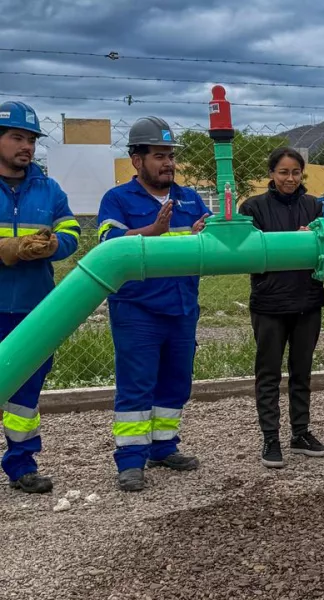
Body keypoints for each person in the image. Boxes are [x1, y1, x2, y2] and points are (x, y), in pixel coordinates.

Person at [96, 116, 212, 492]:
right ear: (136, 160)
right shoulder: (118, 199)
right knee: (137, 385)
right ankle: (130, 461)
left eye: (170, 156)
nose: (168, 163)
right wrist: (151, 232)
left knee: (176, 382)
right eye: (159, 156)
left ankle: (163, 446)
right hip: (138, 309)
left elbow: (211, 247)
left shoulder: (190, 198)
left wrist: (207, 234)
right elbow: (107, 244)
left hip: (181, 306)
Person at [0, 100, 81, 494]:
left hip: (35, 309)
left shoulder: (48, 189)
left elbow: (71, 233)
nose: (26, 146)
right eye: (17, 137)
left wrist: (53, 247)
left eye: (31, 139)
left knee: (26, 393)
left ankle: (21, 465)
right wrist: (8, 248)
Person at [238, 147, 324, 469]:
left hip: (307, 300)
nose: (290, 179)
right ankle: (270, 437)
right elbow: (249, 250)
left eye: (295, 173)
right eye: (283, 172)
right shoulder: (253, 207)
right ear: (272, 175)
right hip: (269, 304)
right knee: (269, 372)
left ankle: (300, 432)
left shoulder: (314, 206)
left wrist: (315, 238)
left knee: (301, 371)